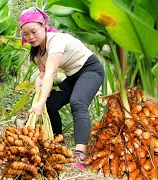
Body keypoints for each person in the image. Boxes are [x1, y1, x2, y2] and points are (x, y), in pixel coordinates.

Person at [20, 7, 104, 170]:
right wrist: (39, 80)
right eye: (26, 34)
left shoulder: (56, 41)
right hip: (73, 76)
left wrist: (39, 102)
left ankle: (80, 154)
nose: (30, 37)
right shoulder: (37, 51)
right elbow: (44, 72)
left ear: (44, 25)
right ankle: (59, 145)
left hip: (90, 70)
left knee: (77, 102)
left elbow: (51, 73)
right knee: (51, 104)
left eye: (34, 31)